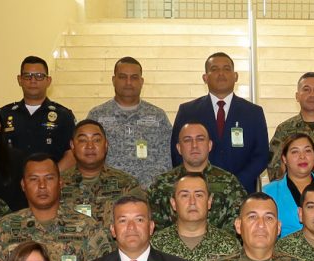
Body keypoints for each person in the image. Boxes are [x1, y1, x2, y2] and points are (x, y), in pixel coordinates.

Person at [0, 154, 113, 261]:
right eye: (34, 179)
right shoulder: (5, 229)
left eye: (49, 178)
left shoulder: (87, 228)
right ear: (23, 185)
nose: (42, 185)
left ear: (60, 183)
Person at [170, 52, 269, 192]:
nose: (221, 73)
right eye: (214, 69)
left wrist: (235, 184)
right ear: (205, 77)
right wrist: (198, 183)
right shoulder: (188, 111)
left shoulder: (253, 112)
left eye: (226, 69)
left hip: (241, 191)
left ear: (236, 76)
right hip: (198, 192)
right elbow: (177, 152)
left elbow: (261, 155)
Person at [88, 57, 173, 187]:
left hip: (148, 193)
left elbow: (166, 159)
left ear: (141, 81)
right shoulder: (97, 116)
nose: (128, 82)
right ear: (113, 80)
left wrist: (148, 190)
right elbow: (88, 159)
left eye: (134, 77)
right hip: (106, 192)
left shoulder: (157, 116)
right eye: (122, 77)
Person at [149, 122, 246, 233]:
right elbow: (152, 225)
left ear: (209, 145)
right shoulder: (161, 185)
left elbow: (239, 223)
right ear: (179, 148)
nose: (194, 145)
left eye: (200, 139)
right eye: (187, 140)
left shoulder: (229, 183)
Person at [60, 119, 144, 225]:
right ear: (72, 145)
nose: (90, 146)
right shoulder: (57, 185)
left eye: (96, 140)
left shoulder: (127, 185)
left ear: (106, 144)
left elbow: (139, 226)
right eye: (83, 140)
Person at [2, 56, 76, 170]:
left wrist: (49, 176)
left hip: (51, 179)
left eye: (39, 76)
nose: (33, 80)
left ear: (48, 81)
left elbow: (72, 154)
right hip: (12, 180)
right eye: (27, 76)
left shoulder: (64, 116)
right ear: (19, 80)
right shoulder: (4, 115)